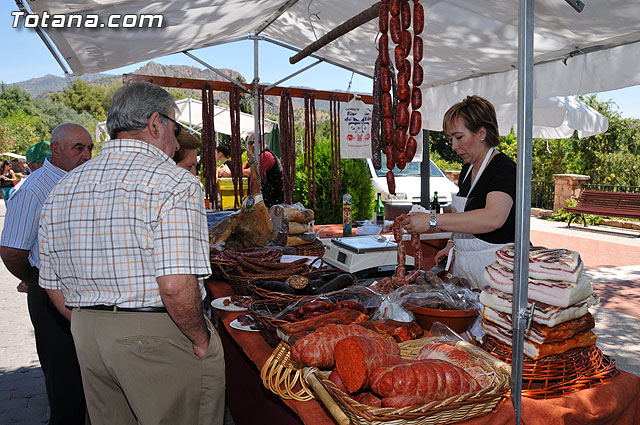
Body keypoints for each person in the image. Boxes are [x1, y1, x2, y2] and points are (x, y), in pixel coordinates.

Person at [38, 81, 225, 425]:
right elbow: (174, 285)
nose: (176, 141)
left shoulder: (63, 187)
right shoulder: (175, 182)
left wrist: (91, 322)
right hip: (157, 332)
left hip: (86, 333)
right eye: (175, 129)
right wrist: (200, 338)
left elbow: (51, 282)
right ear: (155, 123)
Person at [0, 122, 93, 425]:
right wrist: (32, 278)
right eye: (78, 148)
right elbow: (12, 250)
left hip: (80, 292)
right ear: (55, 150)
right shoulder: (35, 189)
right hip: (51, 294)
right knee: (67, 387)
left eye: (89, 147)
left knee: (87, 382)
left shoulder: (78, 179)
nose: (86, 154)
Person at [399, 95, 516, 289]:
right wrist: (452, 244)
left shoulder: (504, 169)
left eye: (459, 137)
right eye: (450, 138)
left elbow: (493, 218)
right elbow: (464, 215)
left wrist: (431, 220)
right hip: (466, 266)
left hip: (497, 269)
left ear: (482, 133)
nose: (454, 146)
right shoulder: (468, 169)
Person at [242, 132, 284, 208]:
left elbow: (251, 173)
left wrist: (230, 172)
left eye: (257, 142)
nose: (254, 145)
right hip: (264, 204)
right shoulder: (252, 159)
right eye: (250, 143)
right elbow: (243, 171)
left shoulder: (266, 155)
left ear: (263, 143)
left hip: (277, 206)